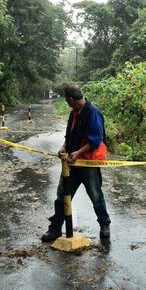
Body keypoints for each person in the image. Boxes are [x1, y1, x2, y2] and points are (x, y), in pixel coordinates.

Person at [42, 84, 112, 242]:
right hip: (72, 163)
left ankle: (105, 225)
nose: (66, 102)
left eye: (66, 100)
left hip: (88, 163)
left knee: (96, 196)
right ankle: (55, 229)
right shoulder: (74, 113)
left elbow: (96, 139)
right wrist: (63, 148)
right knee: (63, 196)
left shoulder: (92, 112)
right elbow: (69, 136)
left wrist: (78, 153)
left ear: (71, 99)